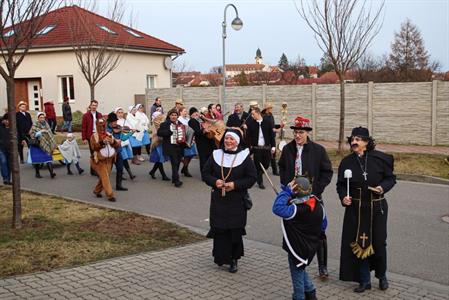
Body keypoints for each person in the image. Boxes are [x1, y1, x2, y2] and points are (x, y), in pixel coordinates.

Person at [336, 126, 396, 293]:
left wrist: (382, 187)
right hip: (355, 208)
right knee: (359, 242)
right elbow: (341, 185)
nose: (354, 142)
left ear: (367, 142)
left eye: (358, 139)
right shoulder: (346, 162)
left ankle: (382, 276)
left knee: (378, 243)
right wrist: (343, 197)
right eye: (352, 139)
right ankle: (364, 280)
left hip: (377, 207)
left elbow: (391, 179)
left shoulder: (380, 159)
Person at [278, 116, 333, 279]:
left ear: (307, 133)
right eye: (295, 132)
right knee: (294, 229)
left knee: (319, 231)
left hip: (312, 197)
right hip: (293, 197)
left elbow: (327, 172)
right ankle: (297, 258)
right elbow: (281, 167)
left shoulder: (318, 150)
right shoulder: (288, 149)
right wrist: (286, 185)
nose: (297, 135)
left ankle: (322, 266)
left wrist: (315, 190)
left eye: (301, 132)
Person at [202, 128, 257, 273]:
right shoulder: (216, 154)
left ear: (237, 141)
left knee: (234, 230)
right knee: (220, 229)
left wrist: (235, 185)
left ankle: (234, 259)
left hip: (237, 200)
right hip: (219, 200)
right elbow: (205, 173)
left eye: (232, 139)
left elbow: (252, 178)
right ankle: (220, 257)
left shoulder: (244, 157)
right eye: (226, 138)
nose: (228, 141)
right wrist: (215, 182)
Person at [272, 175, 325, 300]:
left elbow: (277, 208)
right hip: (311, 245)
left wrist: (285, 193)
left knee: (297, 275)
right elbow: (323, 225)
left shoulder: (296, 209)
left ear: (295, 191)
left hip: (298, 247)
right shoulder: (318, 205)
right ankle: (311, 292)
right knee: (300, 269)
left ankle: (299, 296)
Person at [90, 118, 120, 202]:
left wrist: (112, 142)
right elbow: (94, 147)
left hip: (109, 160)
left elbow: (117, 145)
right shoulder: (94, 136)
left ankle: (97, 190)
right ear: (96, 126)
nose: (102, 128)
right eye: (100, 126)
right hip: (99, 160)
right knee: (105, 177)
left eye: (103, 126)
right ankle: (110, 195)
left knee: (104, 177)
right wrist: (102, 142)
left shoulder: (109, 134)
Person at [245, 107, 275, 189]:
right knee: (258, 166)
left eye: (253, 114)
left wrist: (273, 146)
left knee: (266, 165)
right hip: (256, 148)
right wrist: (248, 147)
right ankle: (260, 182)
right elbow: (248, 137)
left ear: (258, 113)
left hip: (266, 148)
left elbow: (271, 136)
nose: (252, 116)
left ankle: (258, 174)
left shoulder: (267, 122)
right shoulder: (251, 124)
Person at [157, 108, 185, 187]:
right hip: (170, 146)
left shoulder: (180, 123)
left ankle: (174, 177)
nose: (174, 116)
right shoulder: (165, 124)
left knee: (178, 162)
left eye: (175, 115)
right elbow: (159, 133)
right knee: (174, 163)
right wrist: (169, 131)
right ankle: (177, 181)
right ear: (169, 116)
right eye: (172, 115)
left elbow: (184, 132)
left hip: (179, 146)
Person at [28, 112, 57, 178]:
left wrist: (52, 143)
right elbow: (32, 134)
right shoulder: (35, 125)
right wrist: (40, 132)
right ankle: (37, 173)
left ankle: (51, 173)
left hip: (46, 144)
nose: (42, 119)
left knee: (48, 158)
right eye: (41, 117)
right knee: (37, 160)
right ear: (38, 118)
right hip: (37, 145)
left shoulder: (46, 124)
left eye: (43, 117)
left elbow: (50, 134)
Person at [188, 107, 215, 177]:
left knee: (210, 157)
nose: (197, 114)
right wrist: (204, 131)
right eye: (194, 113)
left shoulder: (201, 119)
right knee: (203, 159)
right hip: (201, 141)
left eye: (197, 112)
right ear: (191, 115)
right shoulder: (192, 121)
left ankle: (210, 172)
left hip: (208, 140)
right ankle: (204, 175)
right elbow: (196, 132)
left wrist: (204, 118)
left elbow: (210, 123)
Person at [106, 112, 128, 191]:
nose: (115, 123)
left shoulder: (118, 127)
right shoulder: (107, 129)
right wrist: (115, 140)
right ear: (110, 122)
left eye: (116, 121)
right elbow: (108, 138)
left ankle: (119, 185)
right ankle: (103, 185)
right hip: (109, 152)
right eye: (114, 122)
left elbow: (124, 134)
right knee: (107, 170)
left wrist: (127, 132)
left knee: (120, 168)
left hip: (118, 151)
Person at [81, 100, 103, 176]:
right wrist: (84, 138)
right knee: (93, 152)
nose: (94, 107)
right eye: (93, 105)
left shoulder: (99, 115)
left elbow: (102, 125)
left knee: (98, 152)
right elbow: (83, 128)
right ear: (90, 106)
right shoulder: (86, 115)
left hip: (98, 135)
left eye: (95, 105)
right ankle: (94, 169)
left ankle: (93, 169)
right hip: (90, 136)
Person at [115, 107, 135, 180]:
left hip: (125, 142)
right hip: (118, 142)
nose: (120, 114)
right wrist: (121, 129)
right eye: (119, 112)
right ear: (116, 113)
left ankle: (121, 173)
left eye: (121, 112)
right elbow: (115, 130)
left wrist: (131, 130)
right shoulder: (115, 121)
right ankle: (130, 174)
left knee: (124, 159)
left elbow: (129, 129)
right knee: (123, 159)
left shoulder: (125, 120)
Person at [149, 111, 170, 181]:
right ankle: (163, 175)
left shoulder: (161, 122)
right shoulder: (156, 123)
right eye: (159, 115)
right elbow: (157, 133)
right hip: (157, 143)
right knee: (160, 159)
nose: (161, 116)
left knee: (159, 159)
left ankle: (152, 171)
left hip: (161, 142)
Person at [261, 102, 280, 176]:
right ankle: (261, 171)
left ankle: (275, 170)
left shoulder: (271, 115)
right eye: (271, 108)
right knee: (267, 154)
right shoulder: (263, 117)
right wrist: (274, 130)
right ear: (267, 109)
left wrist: (279, 126)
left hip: (272, 137)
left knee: (273, 153)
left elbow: (272, 125)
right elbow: (266, 128)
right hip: (267, 138)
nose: (272, 109)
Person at [178, 107, 197, 177]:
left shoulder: (187, 119)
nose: (185, 113)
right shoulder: (179, 119)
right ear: (180, 112)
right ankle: (185, 169)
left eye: (186, 111)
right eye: (184, 111)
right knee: (187, 155)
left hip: (190, 139)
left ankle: (184, 167)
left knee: (191, 154)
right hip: (183, 140)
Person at [0, 113, 12, 185]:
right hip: (1, 148)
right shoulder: (0, 126)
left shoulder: (13, 127)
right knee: (3, 162)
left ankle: (8, 179)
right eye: (6, 120)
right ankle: (5, 178)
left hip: (10, 148)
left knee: (9, 164)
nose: (7, 122)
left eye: (9, 120)